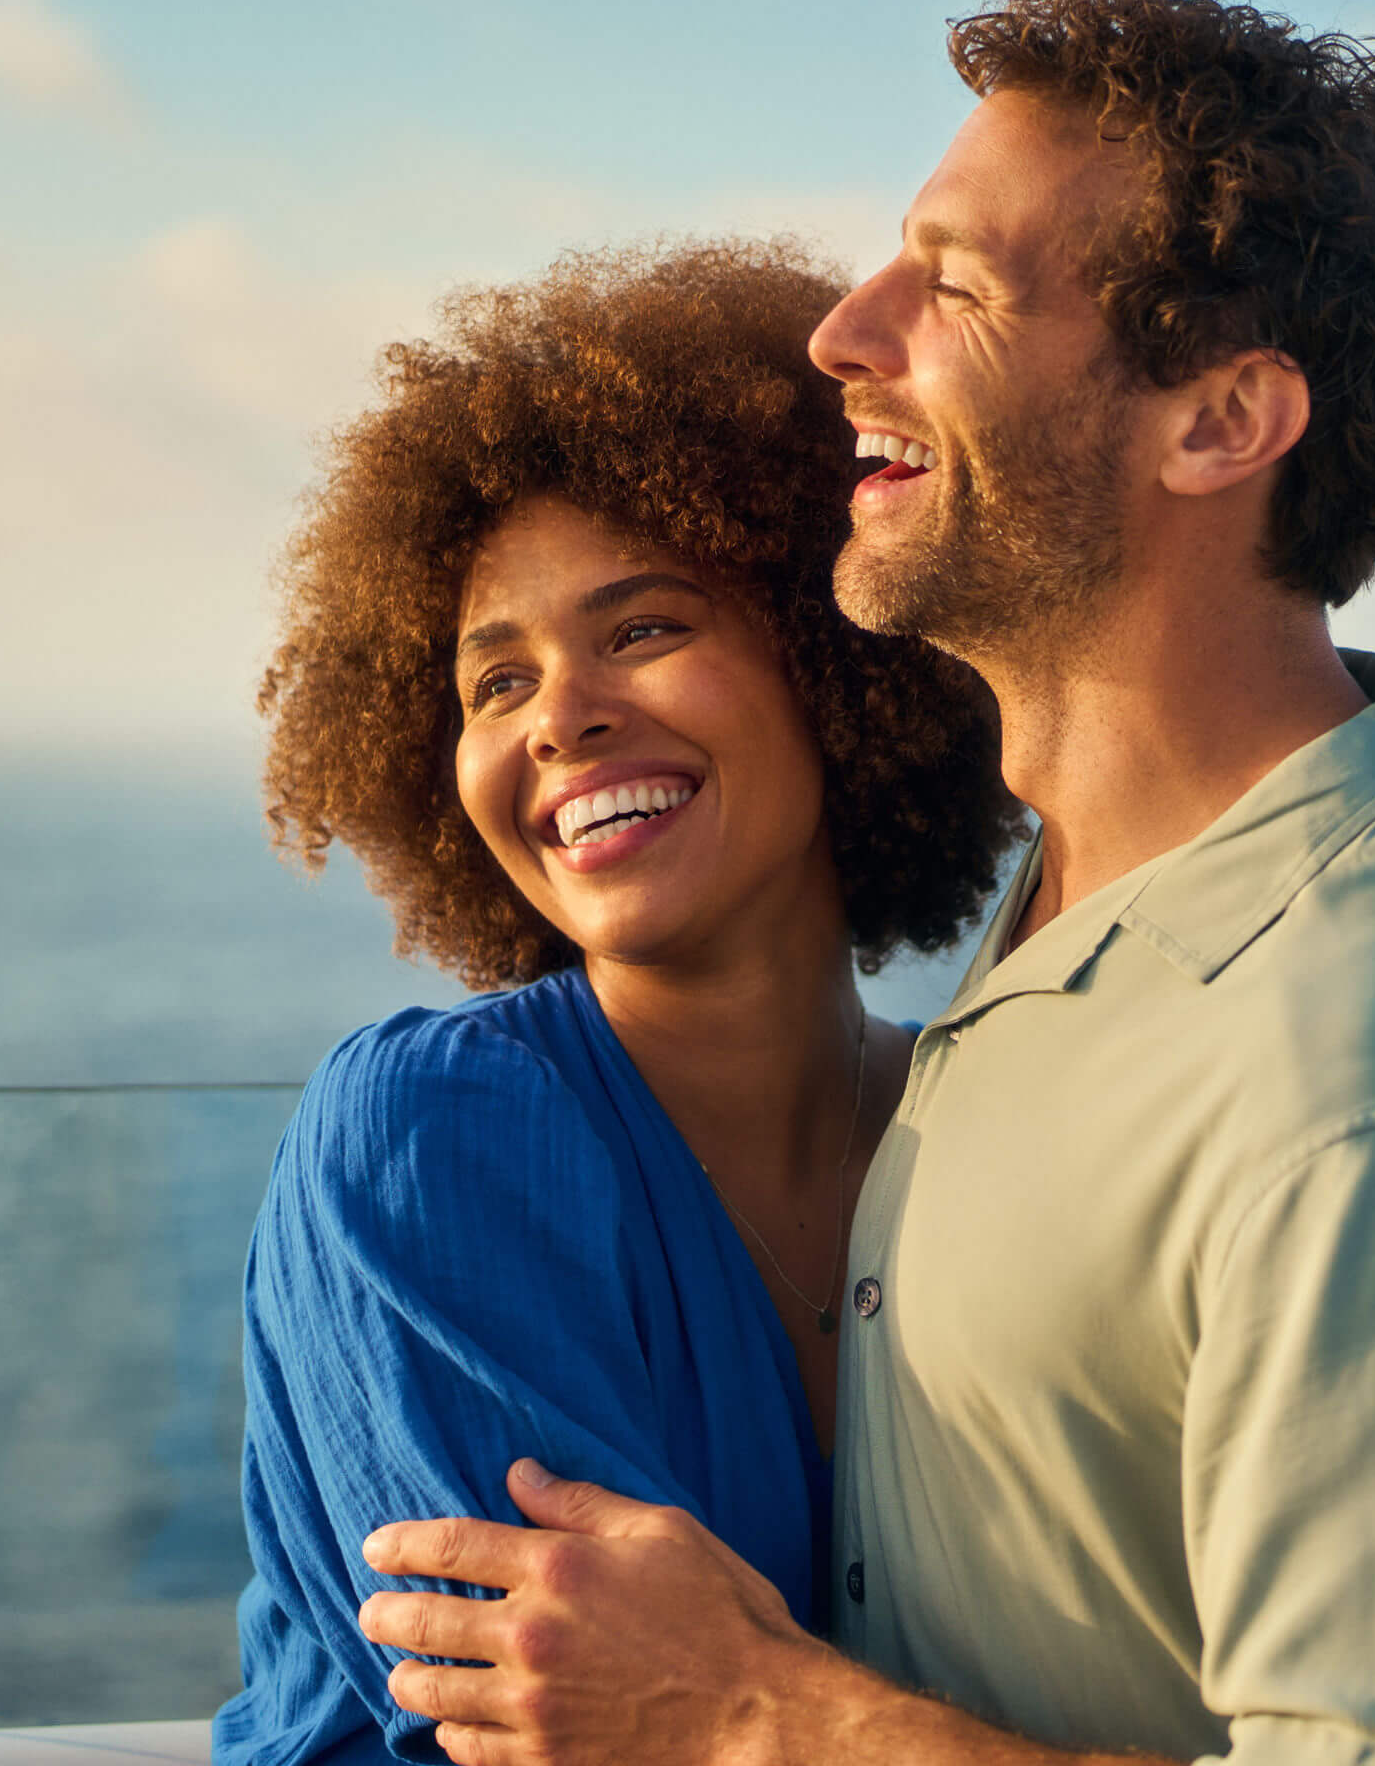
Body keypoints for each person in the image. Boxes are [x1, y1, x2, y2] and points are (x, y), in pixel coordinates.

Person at [357, 0, 1375, 1766]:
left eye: (953, 287)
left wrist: (756, 1718)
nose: (842, 330)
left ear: (1218, 423)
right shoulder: (1103, 907)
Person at [216, 237, 1023, 1766]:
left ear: (836, 650)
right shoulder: (433, 1134)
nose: (562, 717)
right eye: (492, 683)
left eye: (644, 628)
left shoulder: (984, 1113)